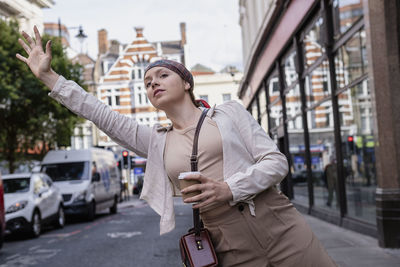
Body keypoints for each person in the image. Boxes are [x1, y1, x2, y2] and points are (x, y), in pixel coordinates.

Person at [17, 26, 336, 266]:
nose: (152, 82)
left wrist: (229, 189)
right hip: (228, 243)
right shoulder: (155, 139)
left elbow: (276, 163)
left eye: (162, 75)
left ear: (186, 82)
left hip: (279, 224)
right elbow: (102, 115)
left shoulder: (228, 114)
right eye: (147, 82)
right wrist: (50, 79)